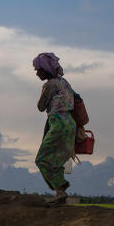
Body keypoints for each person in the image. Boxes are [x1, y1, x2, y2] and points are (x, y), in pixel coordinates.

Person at [33, 52, 76, 206]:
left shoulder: (50, 84)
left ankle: (60, 189)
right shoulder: (65, 83)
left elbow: (40, 106)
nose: (37, 73)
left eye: (38, 69)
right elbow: (77, 100)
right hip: (70, 124)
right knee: (56, 161)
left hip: (58, 123)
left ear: (45, 69)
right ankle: (60, 195)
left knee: (42, 160)